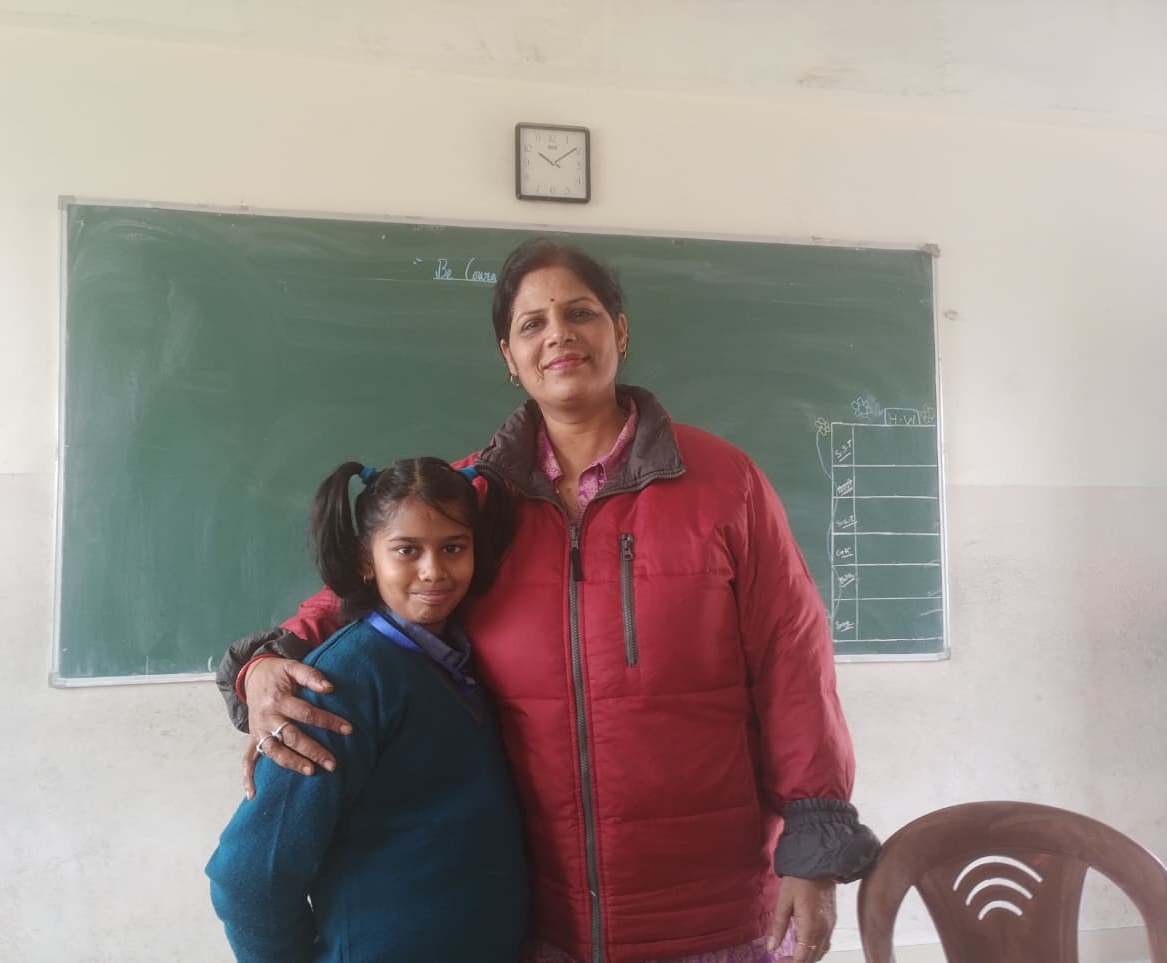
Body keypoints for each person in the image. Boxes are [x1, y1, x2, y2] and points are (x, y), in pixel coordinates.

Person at [216, 239, 880, 963]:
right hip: (540, 922)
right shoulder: (471, 502)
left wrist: (814, 850)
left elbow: (793, 662)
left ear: (619, 330)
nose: (558, 334)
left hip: (712, 914)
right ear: (510, 355)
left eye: (580, 313)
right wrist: (265, 663)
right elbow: (362, 594)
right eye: (532, 323)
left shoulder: (724, 484)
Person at [207, 457, 528, 962]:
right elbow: (248, 877)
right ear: (365, 559)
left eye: (453, 548)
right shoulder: (341, 681)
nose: (434, 571)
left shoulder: (460, 657)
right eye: (406, 550)